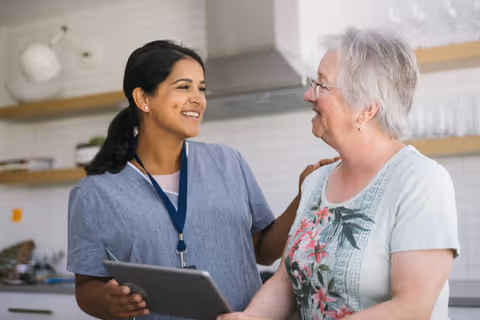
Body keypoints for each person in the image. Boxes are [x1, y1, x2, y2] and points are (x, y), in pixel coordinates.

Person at [67, 40, 335, 320]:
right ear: (143, 99)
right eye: (184, 87)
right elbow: (86, 288)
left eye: (201, 88)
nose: (198, 99)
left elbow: (264, 253)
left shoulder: (228, 162)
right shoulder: (93, 193)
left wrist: (304, 196)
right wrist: (108, 301)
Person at [217, 28, 460, 320]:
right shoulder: (316, 182)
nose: (308, 95)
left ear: (366, 109)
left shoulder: (421, 182)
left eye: (321, 85)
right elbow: (285, 281)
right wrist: (250, 317)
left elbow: (411, 308)